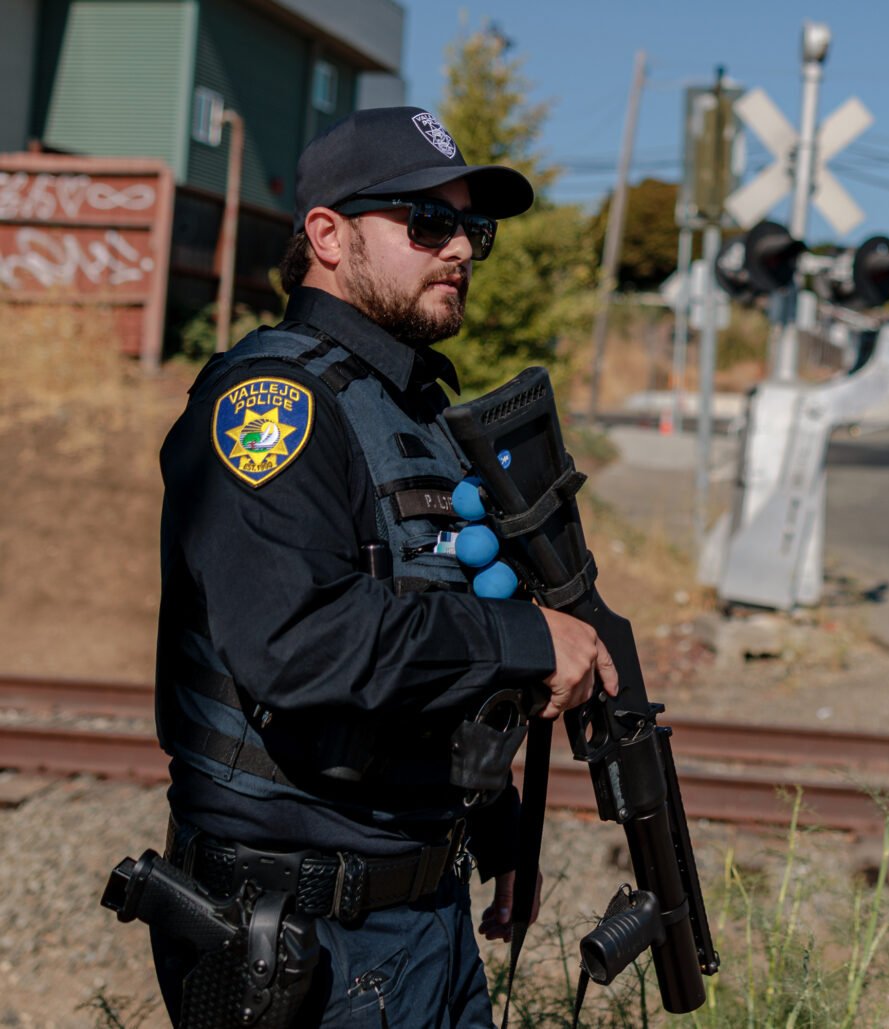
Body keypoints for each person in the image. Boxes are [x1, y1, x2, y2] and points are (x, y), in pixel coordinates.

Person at [148, 106, 616, 1024]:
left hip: (419, 914)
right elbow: (297, 639)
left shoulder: (410, 410)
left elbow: (422, 643)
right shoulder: (271, 406)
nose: (461, 250)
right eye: (426, 221)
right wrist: (525, 638)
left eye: (470, 228)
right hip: (305, 936)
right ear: (327, 233)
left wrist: (491, 828)